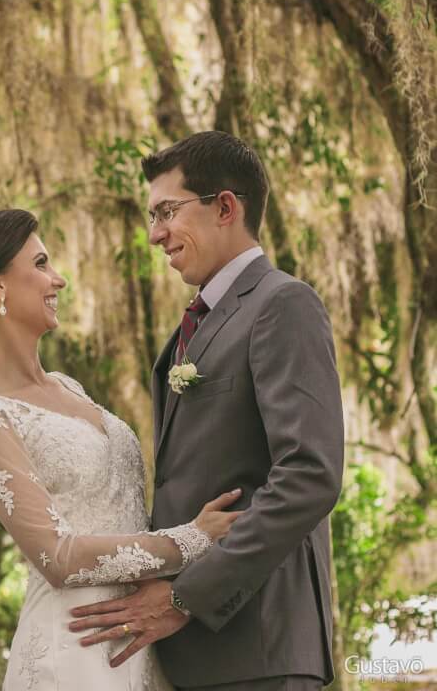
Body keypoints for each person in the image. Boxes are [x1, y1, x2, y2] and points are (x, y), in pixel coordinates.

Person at [0, 209, 242, 690]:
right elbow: (56, 556)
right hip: (73, 650)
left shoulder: (69, 387)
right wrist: (189, 541)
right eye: (41, 264)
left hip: (143, 636)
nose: (57, 279)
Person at [67, 131, 344, 691]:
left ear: (225, 207)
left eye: (167, 211)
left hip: (260, 647)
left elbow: (310, 476)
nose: (154, 234)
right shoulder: (185, 334)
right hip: (192, 655)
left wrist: (183, 596)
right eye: (151, 216)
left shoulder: (281, 304)